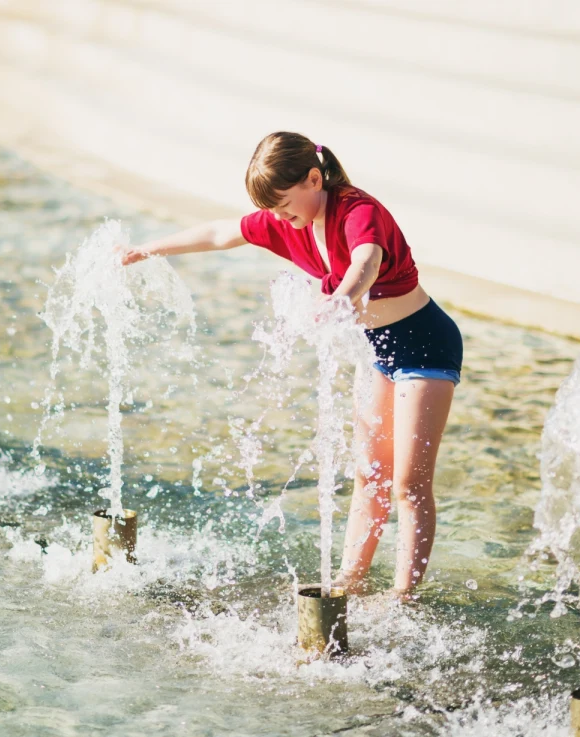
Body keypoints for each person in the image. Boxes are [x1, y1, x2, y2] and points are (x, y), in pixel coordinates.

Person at [122, 132, 463, 597]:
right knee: (369, 473)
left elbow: (366, 259)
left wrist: (342, 298)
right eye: (275, 212)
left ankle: (405, 598)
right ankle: (350, 580)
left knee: (408, 482)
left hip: (424, 347)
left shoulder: (358, 210)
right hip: (379, 351)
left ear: (314, 178)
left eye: (285, 206)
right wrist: (147, 249)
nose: (281, 219)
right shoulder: (288, 221)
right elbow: (220, 233)